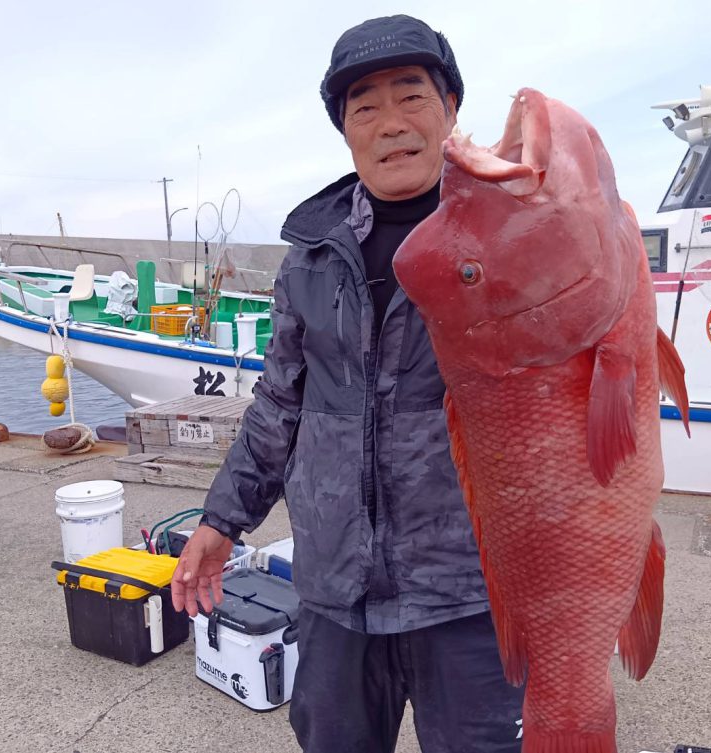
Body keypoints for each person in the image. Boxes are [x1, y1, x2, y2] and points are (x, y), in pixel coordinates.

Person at [172, 15, 525, 753]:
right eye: (364, 106)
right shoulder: (310, 257)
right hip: (335, 591)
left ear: (451, 108)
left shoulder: (510, 234)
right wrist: (222, 520)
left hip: (468, 593)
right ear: (344, 129)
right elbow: (278, 403)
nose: (390, 122)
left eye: (412, 95)